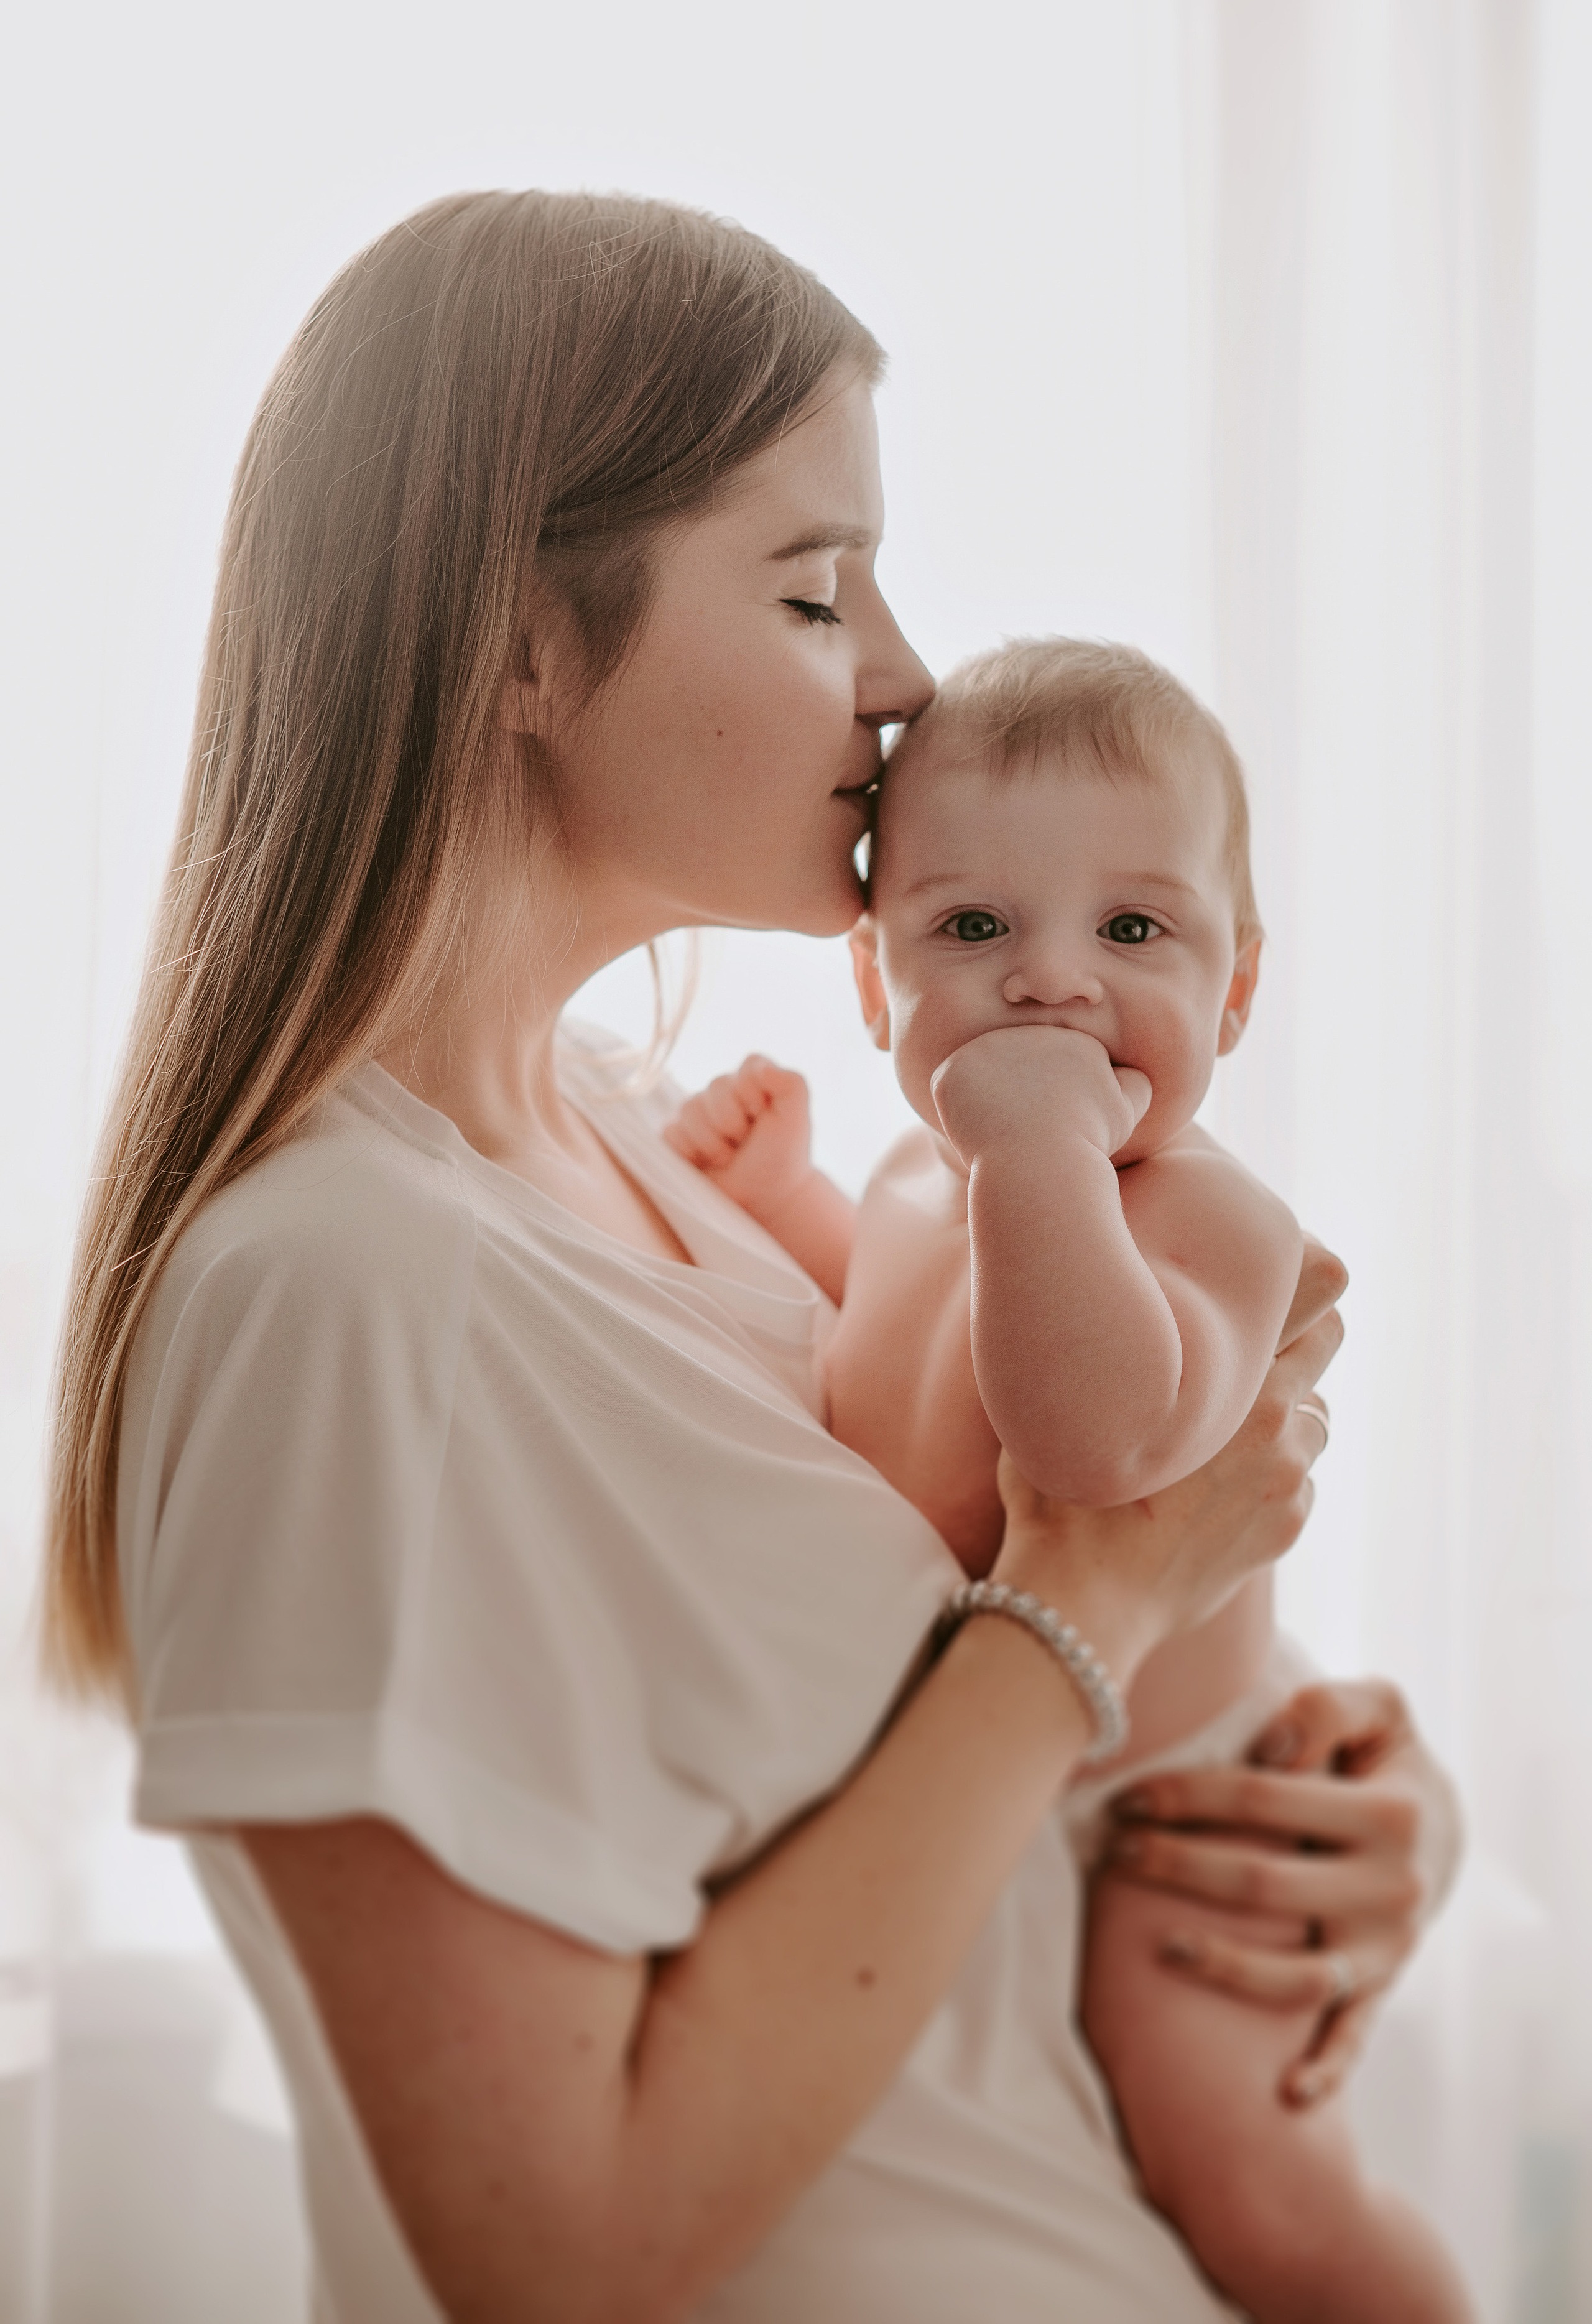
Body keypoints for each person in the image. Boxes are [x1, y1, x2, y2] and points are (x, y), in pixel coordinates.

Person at [44, 190, 1457, 2324]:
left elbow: (938, 1751)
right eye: (814, 592)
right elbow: (556, 2252)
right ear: (518, 639)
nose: (902, 680)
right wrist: (1095, 1599)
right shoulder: (349, 1283)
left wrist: (1351, 1816)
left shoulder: (651, 1149)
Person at [664, 636, 1473, 2322]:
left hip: (1176, 1803)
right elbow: (894, 1339)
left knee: (1250, 2180)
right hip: (1001, 1783)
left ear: (1236, 989)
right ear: (876, 989)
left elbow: (1099, 1448)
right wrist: (793, 1194)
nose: (1052, 982)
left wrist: (1034, 1150)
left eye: (1132, 930)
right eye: (973, 929)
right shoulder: (910, 1177)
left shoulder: (1211, 1218)